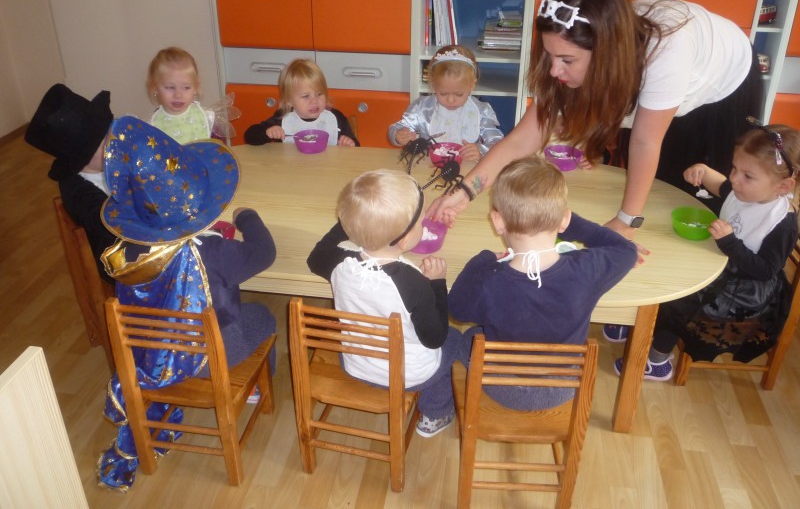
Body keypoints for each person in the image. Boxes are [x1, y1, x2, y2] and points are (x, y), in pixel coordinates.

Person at [429, 0, 762, 239]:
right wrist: (462, 194)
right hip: (656, 78)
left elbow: (646, 142)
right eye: (550, 55)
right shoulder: (580, 54)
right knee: (657, 188)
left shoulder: (666, 55)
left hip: (722, 92)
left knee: (702, 196)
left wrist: (626, 221)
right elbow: (522, 140)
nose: (554, 70)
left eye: (566, 60)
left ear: (606, 57)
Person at [96, 116, 278, 489]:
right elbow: (265, 253)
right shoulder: (212, 252)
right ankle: (255, 388)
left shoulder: (127, 253)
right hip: (209, 357)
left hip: (152, 356)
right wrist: (248, 218)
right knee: (264, 315)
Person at [610, 121, 800, 381]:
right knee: (663, 263)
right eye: (734, 168)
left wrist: (730, 243)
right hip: (723, 261)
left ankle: (657, 360)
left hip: (743, 291)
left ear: (783, 186)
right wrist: (703, 170)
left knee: (680, 299)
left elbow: (765, 270)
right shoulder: (745, 190)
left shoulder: (781, 223)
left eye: (747, 176)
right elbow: (721, 186)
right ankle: (635, 320)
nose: (734, 178)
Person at [448, 156, 637, 409]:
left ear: (497, 221)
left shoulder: (489, 282)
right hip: (563, 387)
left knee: (467, 336)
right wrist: (570, 224)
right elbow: (626, 250)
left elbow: (456, 309)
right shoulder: (587, 270)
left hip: (503, 388)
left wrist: (481, 259)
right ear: (564, 220)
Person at [306, 169, 463, 437]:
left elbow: (315, 257)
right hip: (408, 376)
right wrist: (437, 283)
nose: (424, 223)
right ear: (405, 240)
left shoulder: (339, 264)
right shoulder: (414, 282)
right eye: (420, 222)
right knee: (455, 340)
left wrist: (357, 221)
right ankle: (435, 413)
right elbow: (434, 338)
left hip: (356, 364)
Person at [25, 83, 117, 281]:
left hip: (141, 238)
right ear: (82, 156)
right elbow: (107, 223)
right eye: (105, 142)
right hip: (117, 258)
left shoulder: (107, 163)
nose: (113, 144)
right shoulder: (76, 189)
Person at [388, 45, 504, 163]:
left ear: (472, 85)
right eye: (443, 93)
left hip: (467, 166)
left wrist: (481, 150)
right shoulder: (422, 108)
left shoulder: (481, 111)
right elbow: (397, 127)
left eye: (459, 94)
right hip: (427, 165)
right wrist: (398, 135)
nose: (450, 100)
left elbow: (497, 141)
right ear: (433, 85)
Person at [244, 58, 359, 147]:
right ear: (289, 101)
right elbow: (250, 136)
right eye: (305, 96)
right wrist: (266, 132)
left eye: (319, 94)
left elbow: (357, 148)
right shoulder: (282, 118)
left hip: (329, 169)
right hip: (292, 169)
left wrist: (350, 143)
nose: (314, 101)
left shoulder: (336, 118)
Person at [148, 47, 216, 144]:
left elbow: (217, 148)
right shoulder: (153, 125)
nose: (178, 95)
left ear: (196, 88)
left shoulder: (205, 116)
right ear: (155, 88)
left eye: (186, 87)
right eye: (170, 87)